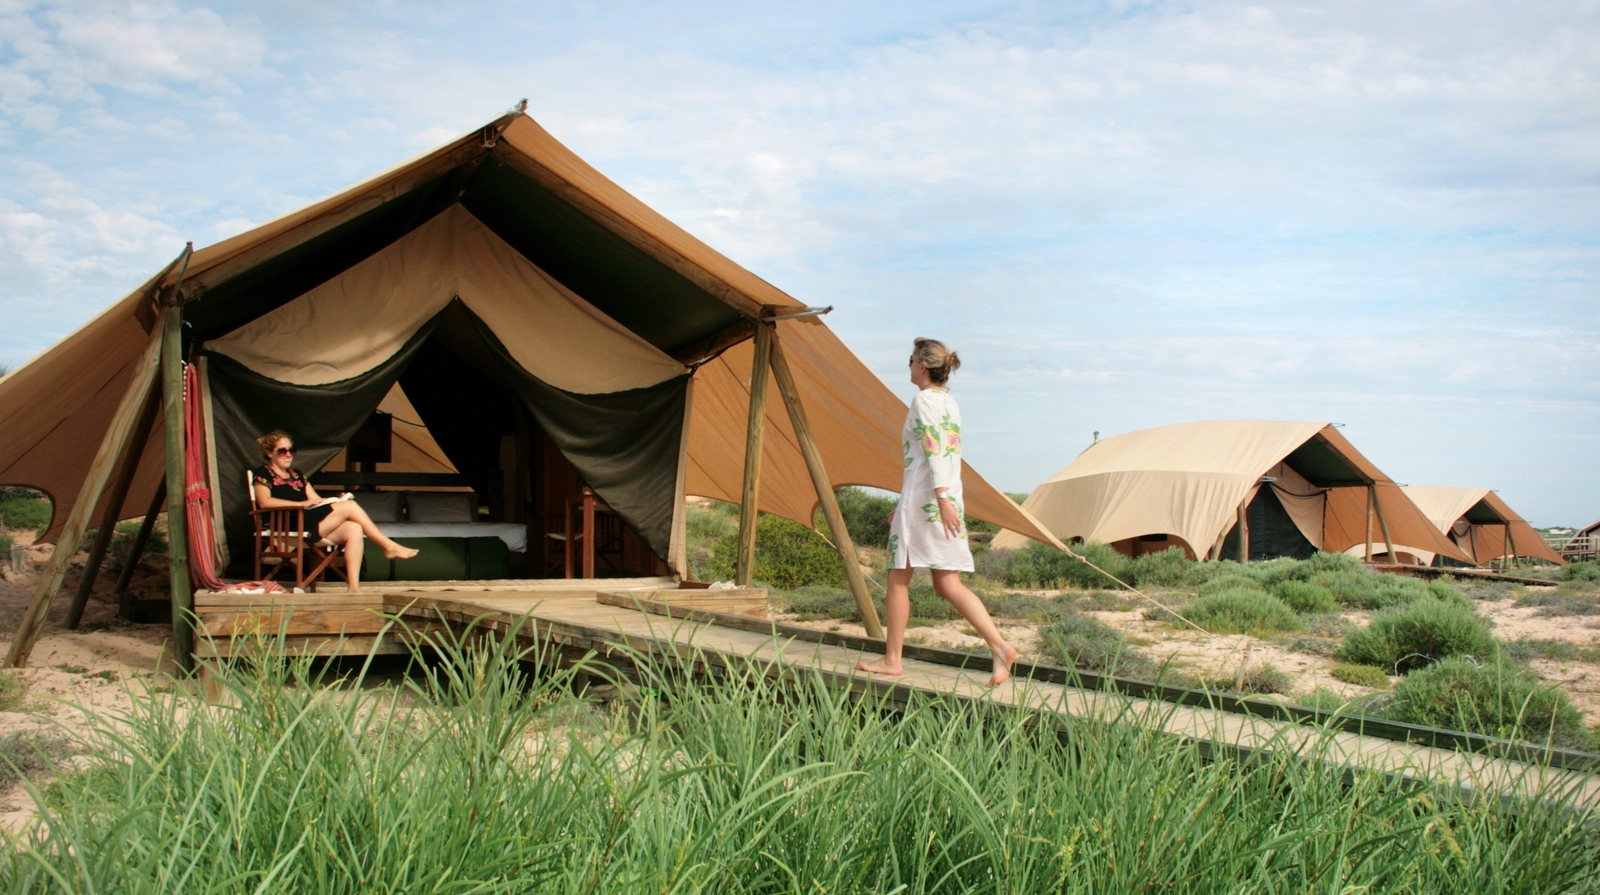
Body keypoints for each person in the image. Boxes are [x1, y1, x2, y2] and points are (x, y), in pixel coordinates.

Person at [859, 339, 1018, 687]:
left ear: (921, 365)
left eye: (911, 359)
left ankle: (892, 659)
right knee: (947, 582)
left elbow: (931, 448)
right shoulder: (949, 403)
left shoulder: (923, 400)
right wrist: (914, 502)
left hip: (932, 498)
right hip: (937, 496)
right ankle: (999, 646)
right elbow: (939, 456)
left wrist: (938, 499)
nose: (909, 365)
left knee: (898, 576)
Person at [251, 430, 418, 593]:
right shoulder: (264, 473)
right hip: (287, 526)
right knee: (350, 508)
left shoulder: (298, 476)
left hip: (309, 523)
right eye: (282, 450)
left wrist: (338, 500)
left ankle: (353, 587)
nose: (288, 454)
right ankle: (388, 546)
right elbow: (265, 502)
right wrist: (303, 504)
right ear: (269, 452)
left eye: (291, 450)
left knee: (354, 528)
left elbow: (316, 501)